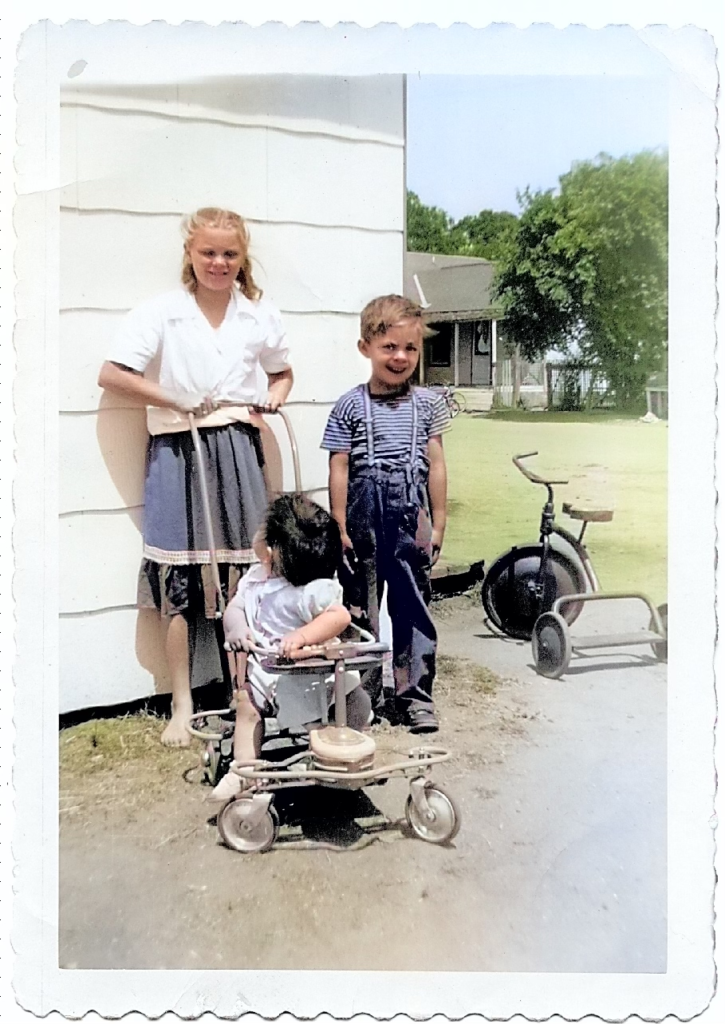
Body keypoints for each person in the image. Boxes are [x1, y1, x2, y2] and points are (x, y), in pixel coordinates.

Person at [98, 208, 293, 746]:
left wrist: (276, 395)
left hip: (236, 448)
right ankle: (182, 704)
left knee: (245, 577)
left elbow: (282, 370)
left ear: (242, 258)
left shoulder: (257, 315)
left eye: (229, 254)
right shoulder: (161, 313)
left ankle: (245, 695)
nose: (218, 262)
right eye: (208, 252)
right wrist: (171, 396)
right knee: (179, 579)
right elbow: (112, 373)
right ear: (190, 253)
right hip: (176, 450)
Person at [321, 294, 450, 734]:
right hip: (363, 511)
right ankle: (363, 695)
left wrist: (440, 518)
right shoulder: (350, 405)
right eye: (388, 347)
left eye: (409, 348)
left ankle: (414, 695)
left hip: (410, 511)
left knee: (412, 603)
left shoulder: (429, 404)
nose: (399, 357)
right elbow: (339, 465)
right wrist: (339, 521)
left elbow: (436, 464)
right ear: (366, 348)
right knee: (362, 605)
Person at [211, 494, 372, 801]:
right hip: (267, 676)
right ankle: (243, 771)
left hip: (315, 675)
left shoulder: (310, 591)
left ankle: (345, 754)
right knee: (246, 708)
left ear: (270, 552)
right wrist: (238, 628)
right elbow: (235, 608)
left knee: (356, 703)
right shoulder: (254, 580)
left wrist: (302, 635)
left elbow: (339, 616)